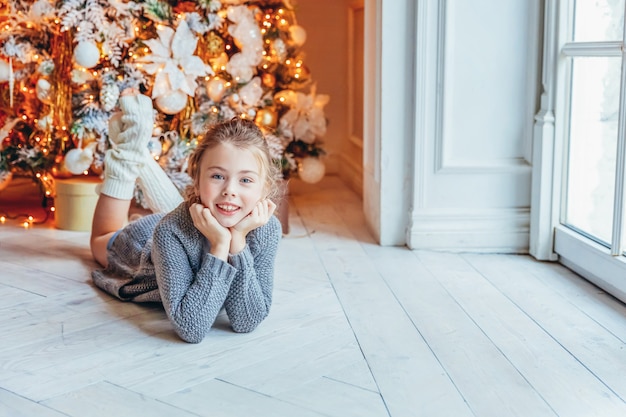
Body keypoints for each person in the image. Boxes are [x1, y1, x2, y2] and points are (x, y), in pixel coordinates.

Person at [89, 89, 282, 343]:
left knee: (201, 210)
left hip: (197, 218)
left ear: (265, 188)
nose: (230, 190)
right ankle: (126, 156)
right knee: (100, 240)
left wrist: (237, 241)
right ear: (197, 178)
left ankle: (137, 151)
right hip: (141, 246)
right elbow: (191, 328)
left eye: (245, 180)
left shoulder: (267, 227)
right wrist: (221, 244)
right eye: (217, 176)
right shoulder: (169, 232)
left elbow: (247, 320)